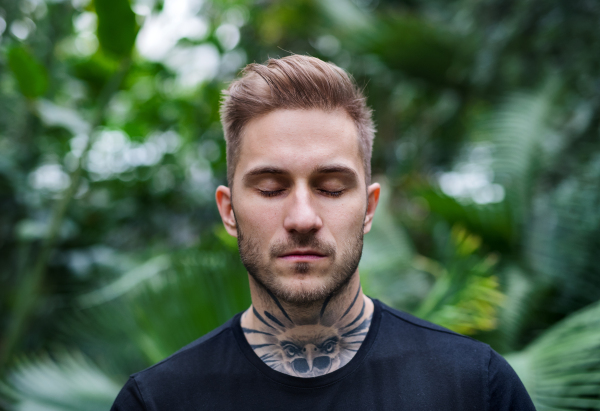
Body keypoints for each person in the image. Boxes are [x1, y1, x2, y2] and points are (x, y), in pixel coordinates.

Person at [111, 55, 536, 410]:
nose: (302, 218)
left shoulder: (476, 388)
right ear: (229, 211)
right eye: (271, 188)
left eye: (331, 188)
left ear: (369, 208)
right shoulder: (157, 402)